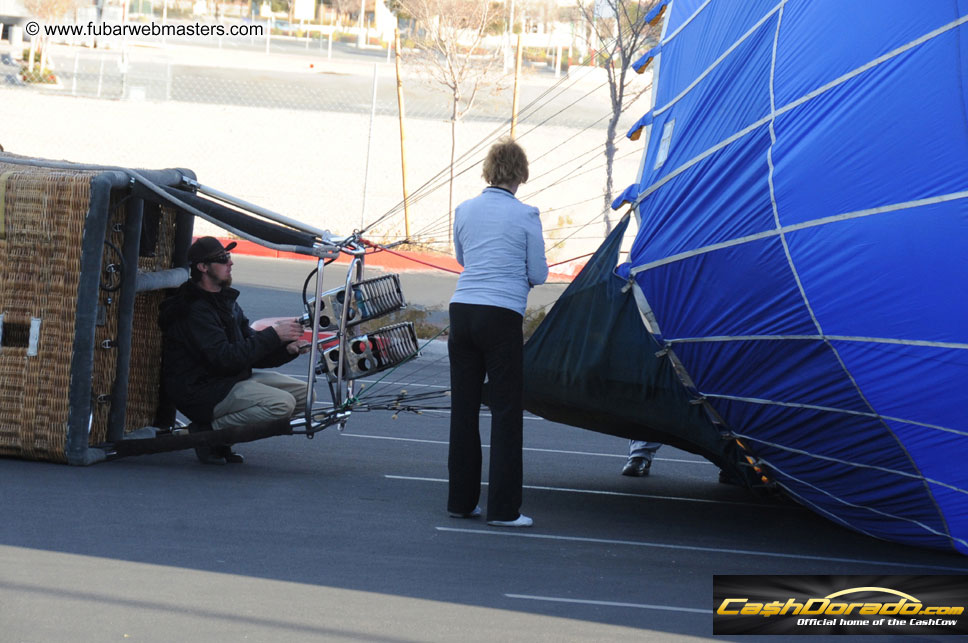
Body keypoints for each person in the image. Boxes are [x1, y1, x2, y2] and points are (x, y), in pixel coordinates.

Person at [447, 139, 548, 528]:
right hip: (501, 314)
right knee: (505, 412)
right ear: (521, 174)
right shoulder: (527, 216)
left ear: (488, 170)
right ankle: (504, 509)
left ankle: (460, 501)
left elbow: (461, 258)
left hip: (463, 310)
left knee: (464, 410)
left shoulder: (464, 209)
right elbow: (538, 273)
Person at [159, 236, 311, 464]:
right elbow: (225, 358)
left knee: (306, 396)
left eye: (228, 257)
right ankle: (207, 433)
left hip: (225, 379)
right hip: (201, 390)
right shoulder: (194, 309)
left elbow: (250, 349)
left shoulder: (224, 300)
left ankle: (221, 439)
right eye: (222, 259)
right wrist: (273, 334)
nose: (230, 263)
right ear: (202, 267)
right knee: (282, 404)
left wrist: (287, 349)